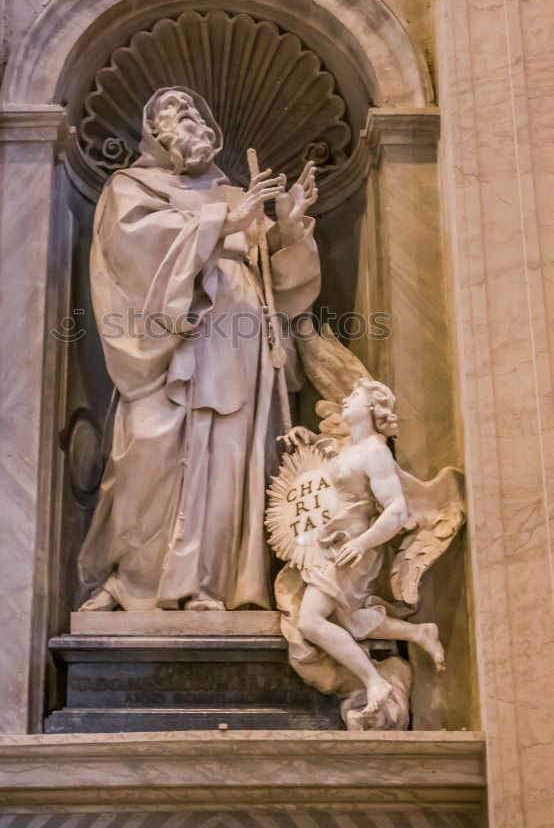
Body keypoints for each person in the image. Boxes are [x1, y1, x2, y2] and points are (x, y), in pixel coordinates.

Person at [78, 86, 320, 611]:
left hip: (236, 347)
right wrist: (223, 227)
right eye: (175, 114)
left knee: (230, 461)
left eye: (195, 114)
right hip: (165, 352)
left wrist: (289, 231)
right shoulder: (131, 188)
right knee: (148, 451)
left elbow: (278, 281)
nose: (190, 121)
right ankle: (135, 581)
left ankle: (215, 586)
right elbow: (132, 250)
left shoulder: (236, 195)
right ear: (156, 133)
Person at [284, 377, 445, 713]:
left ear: (372, 408)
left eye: (354, 396)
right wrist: (308, 440)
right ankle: (419, 634)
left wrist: (360, 544)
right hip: (332, 547)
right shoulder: (349, 449)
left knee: (311, 622)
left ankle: (375, 682)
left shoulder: (376, 452)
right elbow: (332, 476)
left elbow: (396, 511)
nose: (346, 400)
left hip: (351, 552)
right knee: (351, 619)